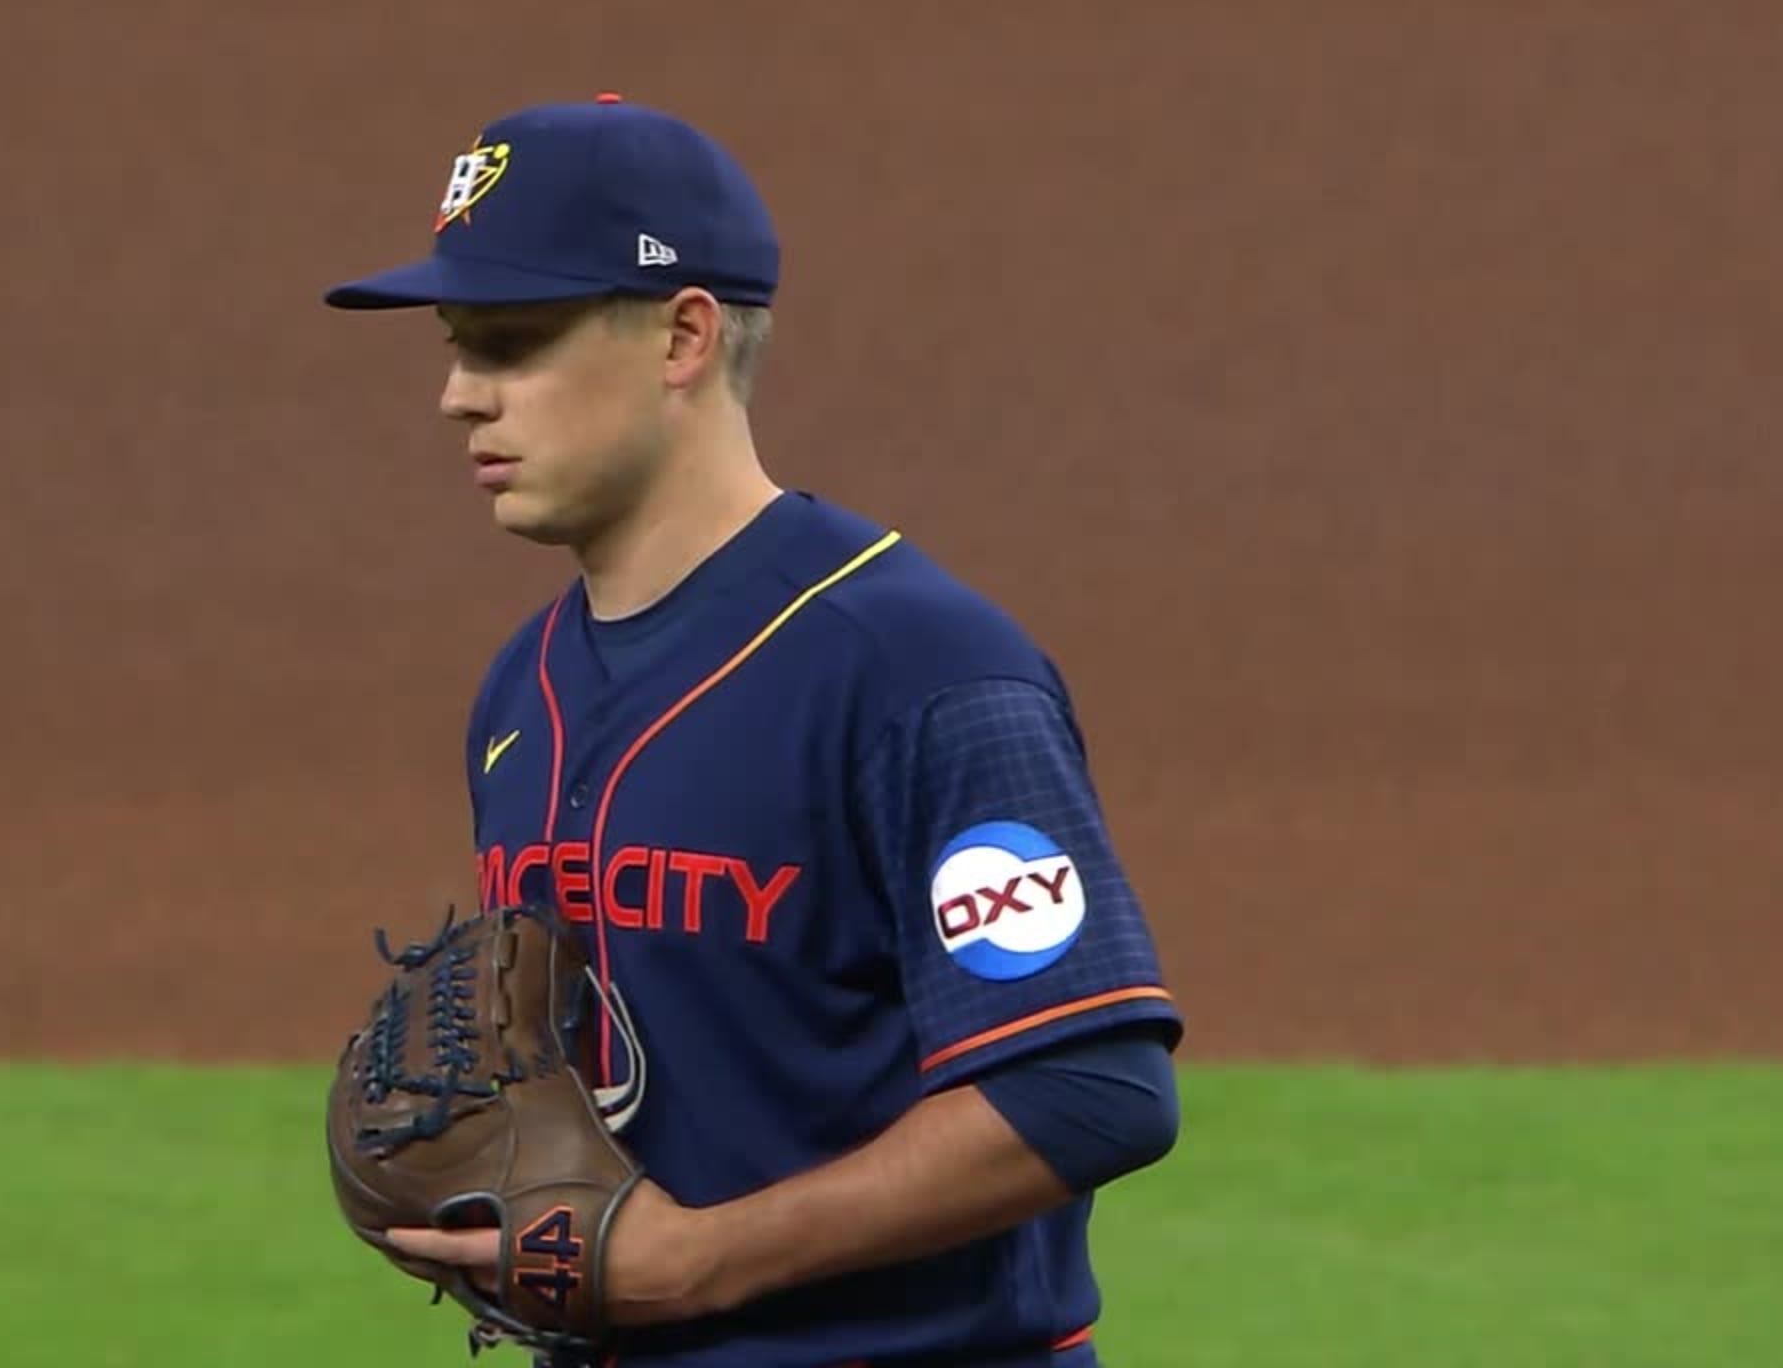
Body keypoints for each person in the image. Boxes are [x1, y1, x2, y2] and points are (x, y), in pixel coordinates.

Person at [321, 92, 1185, 1368]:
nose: (459, 395)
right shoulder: (522, 688)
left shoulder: (916, 671)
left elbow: (1090, 1091)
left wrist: (696, 1263)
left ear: (682, 335)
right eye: (457, 347)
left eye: (510, 343)